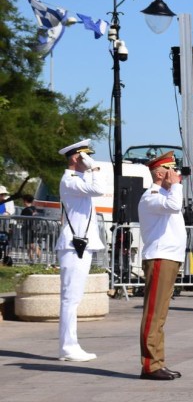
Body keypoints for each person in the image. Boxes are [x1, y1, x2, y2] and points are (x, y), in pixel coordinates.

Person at [137, 151, 185, 380]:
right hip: (159, 258)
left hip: (169, 258)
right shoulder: (152, 196)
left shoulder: (163, 196)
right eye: (171, 169)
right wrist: (176, 185)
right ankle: (150, 364)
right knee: (154, 314)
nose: (175, 173)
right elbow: (175, 205)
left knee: (161, 314)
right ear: (159, 173)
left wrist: (173, 185)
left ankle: (157, 361)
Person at [55, 139, 105, 362]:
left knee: (74, 297)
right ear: (77, 158)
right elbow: (99, 189)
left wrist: (91, 169)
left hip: (81, 242)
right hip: (73, 244)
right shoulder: (70, 180)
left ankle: (71, 345)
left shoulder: (79, 180)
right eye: (85, 156)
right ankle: (68, 347)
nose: (89, 159)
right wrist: (93, 167)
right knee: (70, 298)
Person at [19, 195, 41, 262]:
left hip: (27, 229)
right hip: (34, 229)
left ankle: (32, 261)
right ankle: (39, 259)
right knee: (33, 245)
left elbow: (20, 219)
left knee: (30, 246)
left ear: (25, 201)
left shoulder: (25, 210)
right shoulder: (34, 208)